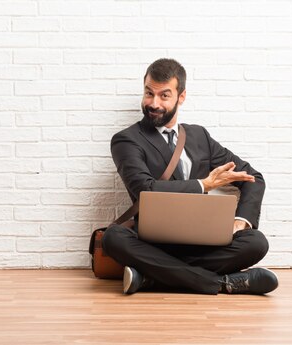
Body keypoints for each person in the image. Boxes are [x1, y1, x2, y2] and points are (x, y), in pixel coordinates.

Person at [102, 58, 278, 295]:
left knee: (256, 242)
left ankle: (152, 278)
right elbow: (146, 189)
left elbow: (253, 178)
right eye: (149, 93)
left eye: (164, 95)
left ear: (181, 97)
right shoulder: (126, 140)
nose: (154, 103)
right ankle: (223, 283)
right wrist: (203, 185)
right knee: (113, 237)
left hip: (200, 241)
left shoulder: (199, 137)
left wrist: (241, 222)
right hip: (152, 242)